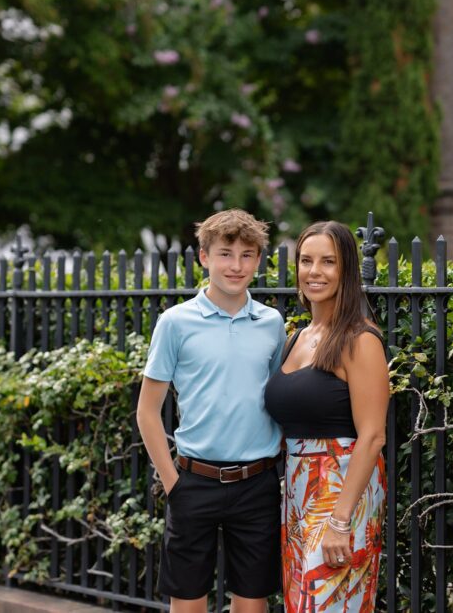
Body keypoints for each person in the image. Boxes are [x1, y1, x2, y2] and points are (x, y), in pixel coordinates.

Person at [136, 209, 286, 613]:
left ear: (258, 260)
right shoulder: (175, 322)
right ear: (203, 257)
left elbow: (276, 399)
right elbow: (148, 411)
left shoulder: (272, 323)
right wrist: (173, 483)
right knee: (186, 604)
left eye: (247, 255)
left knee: (253, 604)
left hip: (257, 484)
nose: (235, 266)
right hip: (193, 480)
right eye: (225, 254)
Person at [264, 221, 390, 612]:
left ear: (347, 270)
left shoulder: (360, 339)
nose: (314, 271)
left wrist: (340, 519)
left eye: (328, 262)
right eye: (306, 261)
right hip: (299, 494)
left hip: (340, 492)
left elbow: (372, 436)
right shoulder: (296, 338)